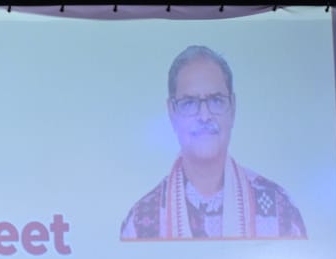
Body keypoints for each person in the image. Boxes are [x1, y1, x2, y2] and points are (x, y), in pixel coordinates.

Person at [120, 45, 306, 240]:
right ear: (172, 112)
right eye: (189, 103)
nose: (204, 116)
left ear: (233, 108)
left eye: (216, 100)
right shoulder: (139, 224)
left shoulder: (281, 210)